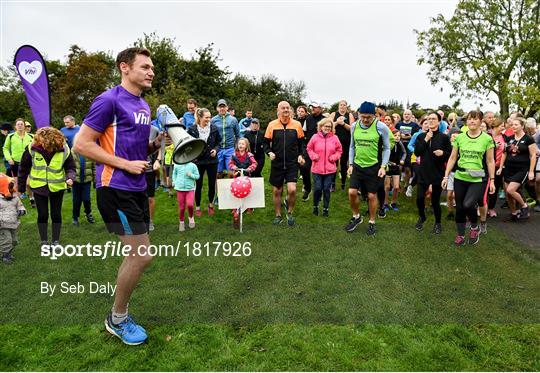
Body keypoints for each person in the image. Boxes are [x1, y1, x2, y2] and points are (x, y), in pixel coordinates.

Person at [74, 47, 161, 345]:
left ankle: (119, 315)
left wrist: (154, 146)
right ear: (125, 68)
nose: (151, 71)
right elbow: (82, 144)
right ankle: (117, 319)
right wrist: (126, 164)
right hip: (114, 188)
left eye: (152, 67)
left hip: (137, 189)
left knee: (135, 254)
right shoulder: (108, 100)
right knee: (142, 255)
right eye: (145, 66)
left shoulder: (144, 106)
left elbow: (130, 149)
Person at [442, 110, 495, 246]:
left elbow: (490, 161)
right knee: (459, 207)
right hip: (460, 176)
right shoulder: (460, 137)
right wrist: (446, 176)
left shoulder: (487, 138)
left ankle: (474, 227)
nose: (472, 121)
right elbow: (453, 157)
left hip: (478, 179)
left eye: (475, 119)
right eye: (470, 119)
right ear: (466, 121)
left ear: (480, 121)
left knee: (468, 204)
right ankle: (460, 236)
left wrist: (493, 180)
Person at [18, 127, 75, 245]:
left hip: (57, 187)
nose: (48, 148)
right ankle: (43, 240)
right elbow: (23, 169)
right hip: (39, 187)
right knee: (42, 215)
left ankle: (56, 240)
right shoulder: (31, 148)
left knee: (56, 214)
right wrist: (21, 188)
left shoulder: (64, 149)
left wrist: (70, 177)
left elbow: (70, 167)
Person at [345, 101, 391, 236]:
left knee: (371, 196)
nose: (365, 120)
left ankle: (372, 222)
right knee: (352, 192)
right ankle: (357, 216)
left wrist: (383, 166)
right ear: (359, 114)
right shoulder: (354, 126)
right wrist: (351, 164)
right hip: (358, 166)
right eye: (362, 116)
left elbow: (387, 148)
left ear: (374, 115)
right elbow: (352, 146)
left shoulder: (381, 127)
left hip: (374, 167)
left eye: (368, 117)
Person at [264, 101, 305, 226]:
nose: (286, 110)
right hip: (277, 163)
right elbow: (265, 143)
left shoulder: (297, 125)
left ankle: (290, 212)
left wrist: (300, 155)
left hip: (292, 163)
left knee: (292, 190)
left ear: (291, 110)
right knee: (277, 191)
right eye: (283, 108)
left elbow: (302, 143)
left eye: (288, 108)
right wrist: (269, 152)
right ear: (278, 110)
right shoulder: (272, 125)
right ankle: (278, 215)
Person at [413, 112, 452, 234]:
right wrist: (426, 138)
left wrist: (443, 153)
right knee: (419, 198)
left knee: (435, 201)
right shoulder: (421, 136)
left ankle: (438, 223)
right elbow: (417, 152)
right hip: (423, 172)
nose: (431, 121)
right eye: (429, 119)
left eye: (433, 119)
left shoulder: (444, 137)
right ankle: (422, 216)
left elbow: (450, 155)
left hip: (437, 174)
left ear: (439, 122)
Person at [497, 116, 537, 220]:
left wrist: (531, 171)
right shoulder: (509, 139)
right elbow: (504, 154)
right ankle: (514, 214)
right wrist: (501, 167)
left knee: (511, 190)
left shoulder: (528, 139)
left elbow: (533, 155)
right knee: (508, 194)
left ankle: (524, 206)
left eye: (516, 124)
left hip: (522, 169)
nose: (513, 126)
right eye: (512, 124)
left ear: (522, 126)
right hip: (509, 169)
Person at [187, 108, 221, 217]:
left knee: (212, 184)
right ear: (200, 117)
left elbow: (218, 143)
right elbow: (188, 144)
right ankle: (197, 207)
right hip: (198, 161)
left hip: (212, 161)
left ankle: (211, 205)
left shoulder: (214, 128)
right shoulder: (192, 129)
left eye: (210, 117)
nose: (209, 119)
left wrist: (216, 150)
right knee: (198, 184)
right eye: (206, 117)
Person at [306, 117, 342, 217]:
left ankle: (326, 208)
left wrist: (334, 157)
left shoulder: (335, 138)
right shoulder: (314, 137)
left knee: (326, 189)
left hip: (330, 169)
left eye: (330, 127)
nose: (327, 128)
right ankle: (315, 206)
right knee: (317, 188)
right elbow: (309, 148)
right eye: (326, 126)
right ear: (321, 126)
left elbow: (339, 150)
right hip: (317, 169)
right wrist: (313, 156)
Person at [229, 138, 258, 228]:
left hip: (246, 177)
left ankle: (249, 207)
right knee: (235, 192)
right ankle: (235, 208)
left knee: (248, 192)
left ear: (246, 146)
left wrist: (250, 168)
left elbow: (254, 163)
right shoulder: (234, 155)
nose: (240, 145)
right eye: (239, 144)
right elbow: (230, 164)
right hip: (237, 177)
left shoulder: (249, 155)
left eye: (243, 144)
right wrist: (234, 167)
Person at [211, 99, 241, 182]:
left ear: (227, 107)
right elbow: (211, 135)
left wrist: (237, 147)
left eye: (223, 107)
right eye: (220, 107)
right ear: (217, 108)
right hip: (218, 149)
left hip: (230, 149)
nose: (222, 109)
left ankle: (231, 191)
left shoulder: (233, 119)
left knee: (231, 173)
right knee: (218, 174)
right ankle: (218, 194)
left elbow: (238, 135)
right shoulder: (213, 120)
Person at [300, 102, 325, 201]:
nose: (313, 108)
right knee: (304, 168)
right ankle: (308, 188)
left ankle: (319, 192)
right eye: (312, 107)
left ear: (320, 108)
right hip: (309, 148)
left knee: (320, 172)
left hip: (322, 150)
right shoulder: (308, 118)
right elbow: (304, 132)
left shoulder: (324, 119)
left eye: (315, 107)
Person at [0, 174, 26, 264]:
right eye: (9, 186)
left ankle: (8, 252)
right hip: (2, 224)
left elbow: (20, 206)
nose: (12, 188)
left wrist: (21, 210)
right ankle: (5, 256)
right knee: (6, 240)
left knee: (14, 241)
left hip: (13, 223)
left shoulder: (15, 197)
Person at [329, 100, 354, 191]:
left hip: (346, 142)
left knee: (343, 163)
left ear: (346, 107)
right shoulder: (333, 114)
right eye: (341, 105)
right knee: (333, 163)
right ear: (338, 106)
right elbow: (329, 126)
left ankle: (343, 184)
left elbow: (352, 128)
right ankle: (332, 185)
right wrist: (337, 122)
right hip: (334, 142)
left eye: (344, 105)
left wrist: (343, 124)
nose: (342, 106)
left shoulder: (349, 115)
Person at [396, 110, 420, 194]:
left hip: (409, 149)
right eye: (405, 114)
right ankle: (397, 185)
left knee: (407, 168)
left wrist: (409, 137)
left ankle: (406, 184)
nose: (406, 115)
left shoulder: (415, 125)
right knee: (398, 167)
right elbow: (395, 134)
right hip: (399, 148)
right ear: (403, 115)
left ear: (411, 115)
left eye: (408, 114)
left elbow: (417, 137)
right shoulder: (399, 124)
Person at [71, 144, 96, 226]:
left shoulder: (90, 152)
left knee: (86, 199)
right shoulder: (73, 152)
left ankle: (88, 213)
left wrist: (95, 180)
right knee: (76, 201)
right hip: (76, 181)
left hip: (86, 181)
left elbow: (94, 167)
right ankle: (75, 217)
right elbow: (69, 166)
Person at [172, 160, 199, 231]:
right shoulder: (177, 165)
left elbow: (197, 176)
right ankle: (181, 222)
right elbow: (174, 174)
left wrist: (191, 175)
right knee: (182, 207)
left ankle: (191, 217)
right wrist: (174, 181)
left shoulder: (193, 165)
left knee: (190, 205)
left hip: (190, 189)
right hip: (180, 189)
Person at [487, 118, 506, 217]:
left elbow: (505, 152)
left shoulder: (504, 137)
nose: (503, 127)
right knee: (484, 188)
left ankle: (491, 208)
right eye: (501, 126)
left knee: (495, 188)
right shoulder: (487, 136)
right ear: (495, 126)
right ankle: (482, 207)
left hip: (499, 166)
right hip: (487, 166)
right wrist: (494, 146)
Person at [384, 129, 406, 211]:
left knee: (396, 187)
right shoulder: (388, 144)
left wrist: (402, 159)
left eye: (399, 136)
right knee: (387, 187)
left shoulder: (400, 143)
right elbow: (383, 155)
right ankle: (385, 203)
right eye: (395, 135)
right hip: (388, 167)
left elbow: (404, 152)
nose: (397, 137)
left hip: (396, 167)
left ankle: (393, 203)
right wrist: (389, 163)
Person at [145, 124, 161, 231]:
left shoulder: (154, 130)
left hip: (149, 169)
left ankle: (150, 221)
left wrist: (158, 160)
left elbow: (161, 146)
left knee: (150, 197)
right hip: (134, 169)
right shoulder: (131, 127)